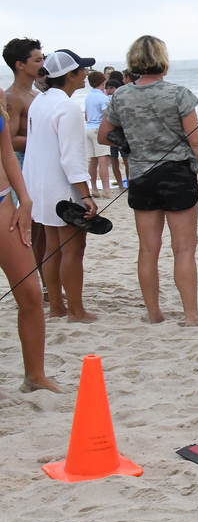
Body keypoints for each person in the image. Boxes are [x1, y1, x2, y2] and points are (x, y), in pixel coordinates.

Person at [99, 36, 198, 326]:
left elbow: (103, 135)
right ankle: (191, 316)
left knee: (148, 250)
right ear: (163, 59)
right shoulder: (178, 93)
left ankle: (154, 314)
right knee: (183, 249)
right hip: (177, 175)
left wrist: (131, 145)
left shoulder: (120, 95)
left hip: (141, 177)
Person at [28, 50, 98, 322]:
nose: (86, 74)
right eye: (82, 69)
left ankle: (57, 307)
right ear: (70, 74)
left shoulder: (40, 101)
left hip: (40, 185)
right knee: (73, 250)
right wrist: (86, 195)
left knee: (51, 249)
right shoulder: (67, 107)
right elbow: (71, 156)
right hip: (63, 190)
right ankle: (76, 311)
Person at [0, 82, 56, 390]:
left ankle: (35, 377)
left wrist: (25, 199)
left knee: (31, 294)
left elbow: (6, 151)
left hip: (5, 206)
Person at [4, 38, 48, 283]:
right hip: (23, 166)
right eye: (38, 59)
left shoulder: (35, 93)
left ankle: (43, 281)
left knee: (41, 231)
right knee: (28, 231)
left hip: (38, 165)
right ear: (20, 65)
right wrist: (41, 140)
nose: (43, 64)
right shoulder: (13, 97)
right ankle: (33, 282)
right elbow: (8, 140)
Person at [83, 70, 112, 198]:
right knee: (103, 160)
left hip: (88, 127)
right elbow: (106, 115)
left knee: (92, 161)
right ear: (103, 82)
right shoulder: (102, 97)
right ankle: (106, 189)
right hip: (98, 128)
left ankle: (94, 188)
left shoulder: (88, 97)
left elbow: (86, 115)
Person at [102, 76, 126, 191]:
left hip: (122, 133)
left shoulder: (121, 100)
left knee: (126, 161)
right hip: (111, 135)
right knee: (114, 160)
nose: (109, 90)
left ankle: (128, 183)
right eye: (107, 88)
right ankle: (121, 185)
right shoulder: (105, 100)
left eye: (112, 87)